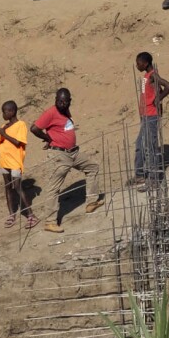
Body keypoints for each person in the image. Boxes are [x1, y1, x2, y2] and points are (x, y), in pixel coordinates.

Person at [30, 88, 103, 232]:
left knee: (92, 167)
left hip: (73, 153)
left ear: (69, 101)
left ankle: (91, 202)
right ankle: (50, 222)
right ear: (55, 100)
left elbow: (61, 129)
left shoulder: (65, 111)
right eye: (59, 101)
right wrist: (48, 139)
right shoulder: (51, 112)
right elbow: (34, 128)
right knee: (54, 187)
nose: (62, 104)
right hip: (59, 156)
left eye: (65, 101)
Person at [132, 52, 169, 189]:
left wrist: (158, 99)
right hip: (146, 116)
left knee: (150, 147)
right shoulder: (147, 76)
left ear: (145, 63)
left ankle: (154, 178)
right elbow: (158, 89)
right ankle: (139, 175)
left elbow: (168, 86)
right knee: (140, 145)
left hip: (151, 116)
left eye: (138, 63)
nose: (137, 65)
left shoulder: (153, 75)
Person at [0, 101, 37, 229]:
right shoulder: (4, 126)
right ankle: (11, 215)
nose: (3, 114)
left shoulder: (20, 125)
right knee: (8, 188)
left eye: (5, 111)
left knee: (18, 187)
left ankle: (31, 215)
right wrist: (2, 133)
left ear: (12, 111)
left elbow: (19, 143)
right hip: (4, 161)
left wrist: (4, 134)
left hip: (15, 162)